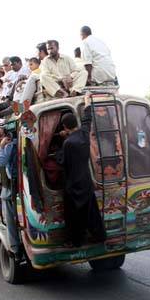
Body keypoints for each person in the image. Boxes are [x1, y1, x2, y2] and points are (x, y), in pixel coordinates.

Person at [56, 95, 106, 247]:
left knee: (73, 215)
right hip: (86, 180)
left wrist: (61, 141)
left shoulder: (67, 143)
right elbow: (87, 119)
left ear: (64, 127)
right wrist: (87, 102)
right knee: (92, 212)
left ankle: (75, 241)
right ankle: (99, 236)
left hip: (73, 184)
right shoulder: (84, 134)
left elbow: (61, 161)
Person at [0, 133, 21, 260]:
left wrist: (1, 147)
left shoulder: (9, 145)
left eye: (0, 136)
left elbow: (0, 162)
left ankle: (15, 249)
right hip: (20, 188)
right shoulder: (19, 142)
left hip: (11, 190)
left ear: (7, 137)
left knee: (11, 221)